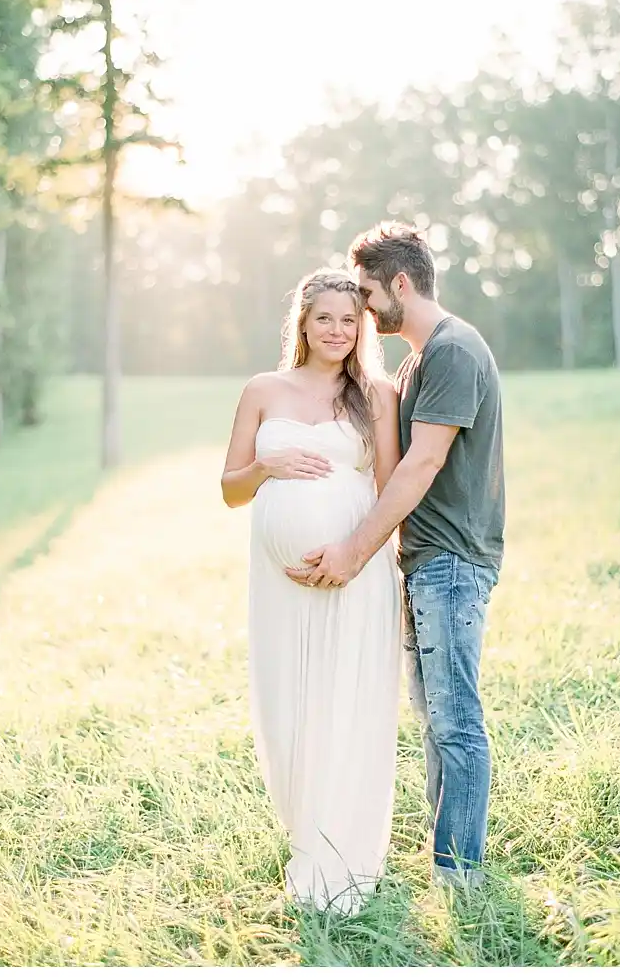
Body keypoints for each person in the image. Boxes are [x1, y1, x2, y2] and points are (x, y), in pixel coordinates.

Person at [286, 222, 505, 889]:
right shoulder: (419, 360)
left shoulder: (453, 353)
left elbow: (420, 466)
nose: (361, 308)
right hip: (424, 565)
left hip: (451, 562)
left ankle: (460, 876)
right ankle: (450, 865)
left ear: (401, 285)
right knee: (437, 719)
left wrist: (355, 550)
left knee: (456, 722)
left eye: (367, 292)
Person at [221, 269, 403, 914]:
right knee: (291, 703)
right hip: (280, 587)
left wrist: (351, 553)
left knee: (346, 705)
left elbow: (388, 490)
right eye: (325, 318)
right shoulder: (262, 389)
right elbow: (229, 490)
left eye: (350, 320)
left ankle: (344, 855)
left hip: (355, 575)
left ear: (364, 329)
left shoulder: (376, 394)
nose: (337, 330)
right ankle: (306, 833)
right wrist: (265, 466)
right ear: (302, 322)